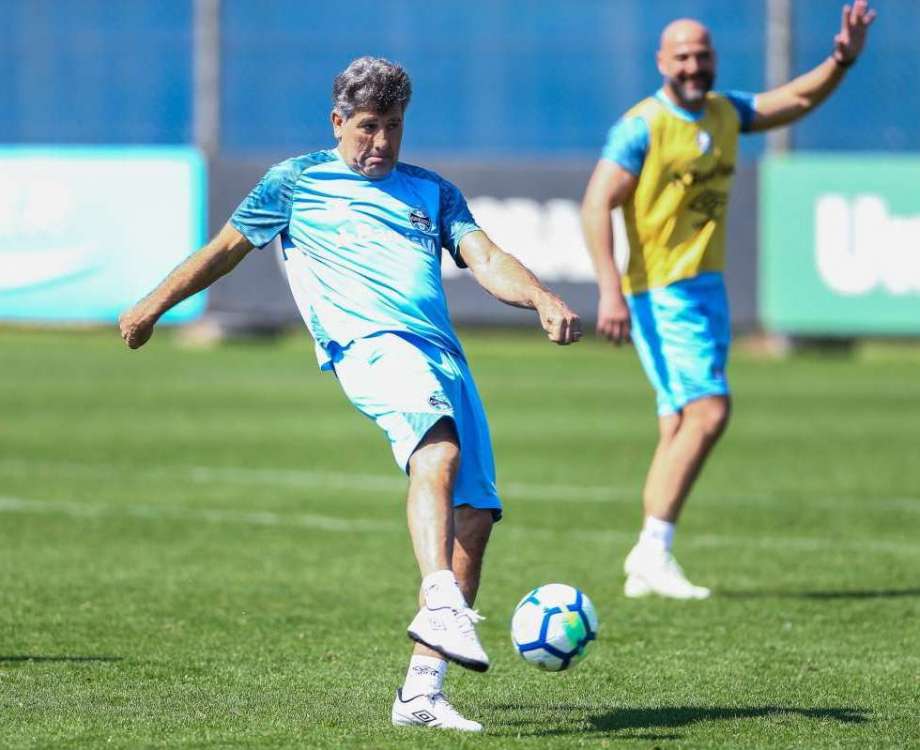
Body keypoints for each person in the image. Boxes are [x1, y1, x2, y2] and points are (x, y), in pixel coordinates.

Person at [119, 56, 581, 732]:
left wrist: (539, 296)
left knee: (475, 517)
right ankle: (439, 595)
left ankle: (420, 693)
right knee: (437, 452)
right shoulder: (296, 182)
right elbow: (223, 251)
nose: (382, 143)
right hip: (369, 346)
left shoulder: (432, 191)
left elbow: (485, 257)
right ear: (338, 122)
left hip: (443, 356)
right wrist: (152, 306)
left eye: (393, 127)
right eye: (368, 127)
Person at [581, 3, 876, 600]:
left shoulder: (724, 112)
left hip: (704, 288)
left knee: (679, 423)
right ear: (661, 62)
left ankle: (649, 561)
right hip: (661, 291)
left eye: (702, 55)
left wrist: (840, 61)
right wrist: (609, 288)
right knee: (710, 411)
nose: (693, 65)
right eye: (682, 56)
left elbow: (793, 100)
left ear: (714, 59)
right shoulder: (641, 125)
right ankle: (653, 549)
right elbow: (596, 203)